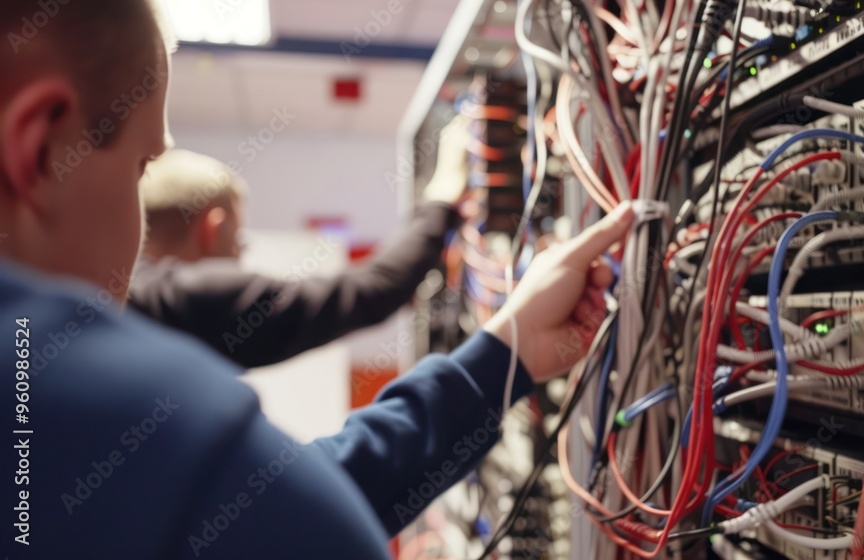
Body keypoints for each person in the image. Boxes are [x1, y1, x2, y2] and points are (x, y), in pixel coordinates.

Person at [0, 1, 634, 558]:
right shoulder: (98, 391)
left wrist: (505, 350)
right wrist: (443, 213)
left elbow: (259, 511)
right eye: (140, 166)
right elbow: (299, 522)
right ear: (39, 147)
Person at [130, 132, 468, 368]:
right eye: (238, 241)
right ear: (212, 228)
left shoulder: (119, 293)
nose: (239, 256)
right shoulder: (189, 298)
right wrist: (440, 197)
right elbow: (371, 290)